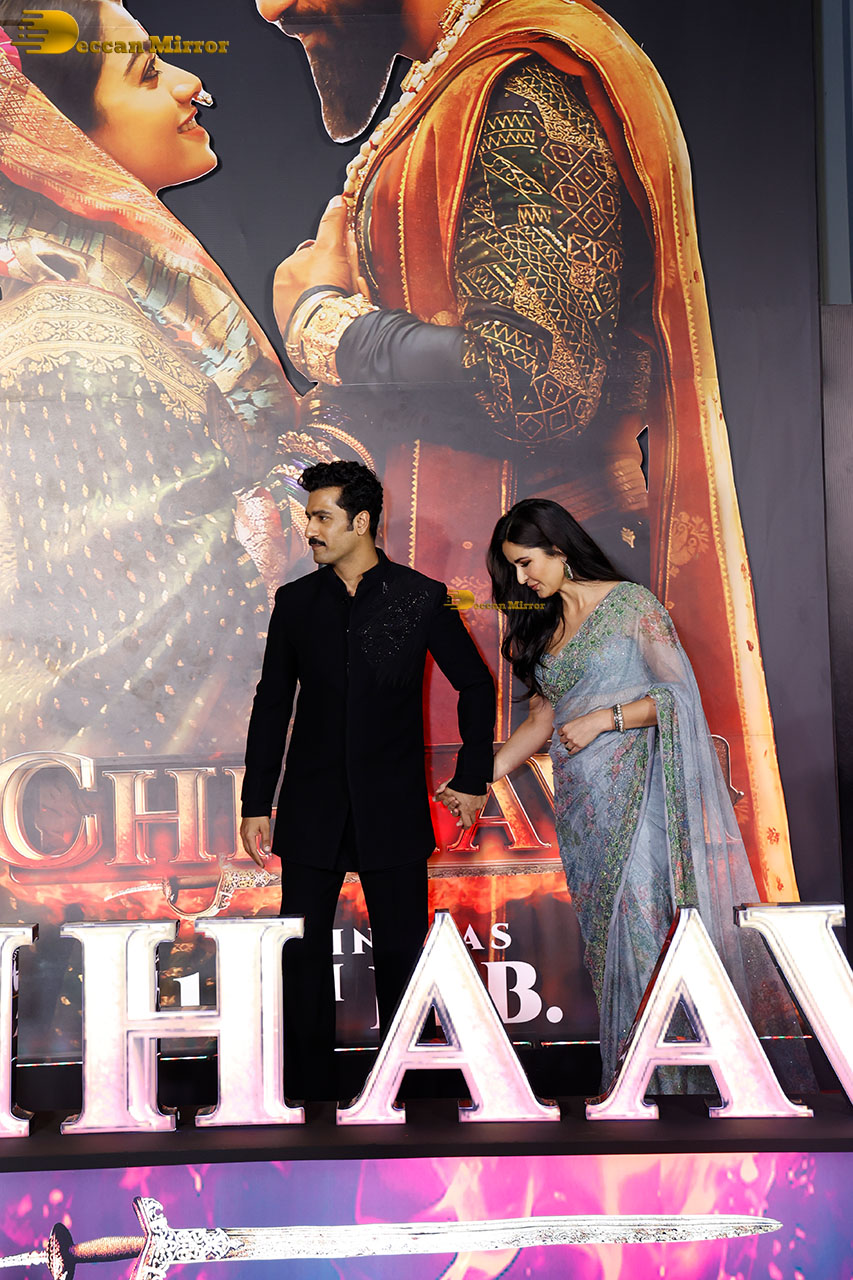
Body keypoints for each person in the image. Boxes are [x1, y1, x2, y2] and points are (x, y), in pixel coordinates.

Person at [253, 0, 801, 902]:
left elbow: (536, 381)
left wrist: (327, 329)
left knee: (580, 912)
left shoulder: (527, 84)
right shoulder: (463, 74)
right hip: (476, 585)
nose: (274, 4)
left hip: (541, 596)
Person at [0, 0, 316, 760]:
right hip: (142, 793)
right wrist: (336, 416)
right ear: (55, 135)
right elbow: (189, 619)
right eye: (146, 74)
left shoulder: (100, 298)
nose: (190, 84)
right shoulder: (75, 335)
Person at [461, 497, 811, 1092]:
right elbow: (541, 721)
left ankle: (677, 1082)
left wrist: (606, 719)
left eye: (525, 563)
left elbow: (679, 697)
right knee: (609, 943)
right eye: (513, 569)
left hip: (642, 796)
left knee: (648, 925)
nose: (521, 580)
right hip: (584, 810)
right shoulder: (544, 627)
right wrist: (477, 778)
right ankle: (633, 1083)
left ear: (558, 549)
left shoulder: (631, 606)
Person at [240, 460, 495, 1101]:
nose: (310, 530)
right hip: (311, 805)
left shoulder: (420, 596)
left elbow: (475, 685)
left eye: (322, 517)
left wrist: (472, 777)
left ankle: (412, 1090)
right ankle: (305, 1093)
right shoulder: (296, 603)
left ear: (361, 522)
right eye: (309, 517)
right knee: (300, 952)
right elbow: (273, 703)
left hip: (392, 807)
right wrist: (256, 801)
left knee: (404, 954)